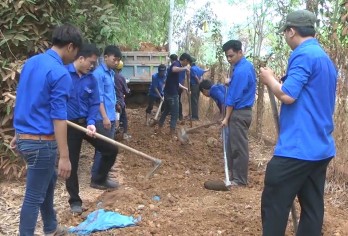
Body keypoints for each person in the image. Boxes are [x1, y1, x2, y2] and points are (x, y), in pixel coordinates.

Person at [259, 10, 337, 236]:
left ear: (291, 31)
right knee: (312, 209)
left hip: (297, 148)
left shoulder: (303, 55)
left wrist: (269, 79)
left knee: (274, 204)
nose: (285, 36)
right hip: (320, 148)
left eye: (285, 32)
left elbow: (287, 95)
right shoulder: (325, 59)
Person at [10, 24, 83, 236]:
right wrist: (65, 156)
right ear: (70, 46)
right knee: (33, 196)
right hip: (42, 142)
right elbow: (59, 117)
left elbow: (24, 98)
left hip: (26, 138)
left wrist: (18, 133)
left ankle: (51, 227)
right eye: (77, 50)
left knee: (48, 181)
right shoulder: (60, 73)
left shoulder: (31, 63)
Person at [65, 43, 119, 214]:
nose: (92, 66)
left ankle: (99, 178)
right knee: (71, 163)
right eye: (90, 62)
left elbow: (95, 101)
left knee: (111, 148)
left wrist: (90, 121)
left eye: (94, 63)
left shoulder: (91, 78)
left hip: (87, 123)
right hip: (69, 125)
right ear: (80, 58)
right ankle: (75, 201)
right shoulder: (64, 75)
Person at [221, 40, 256, 186]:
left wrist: (226, 118)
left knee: (238, 147)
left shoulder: (241, 70)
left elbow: (233, 98)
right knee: (233, 145)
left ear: (240, 52)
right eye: (227, 57)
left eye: (231, 56)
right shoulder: (245, 66)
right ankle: (234, 176)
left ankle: (240, 180)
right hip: (243, 112)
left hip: (239, 113)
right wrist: (230, 82)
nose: (229, 59)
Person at [90, 45, 122, 188]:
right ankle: (96, 179)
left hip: (110, 115)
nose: (116, 63)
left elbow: (110, 95)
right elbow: (99, 98)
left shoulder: (111, 73)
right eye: (114, 59)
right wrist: (104, 117)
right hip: (101, 117)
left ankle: (104, 173)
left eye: (118, 61)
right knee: (102, 149)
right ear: (106, 57)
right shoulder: (98, 74)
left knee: (107, 148)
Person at [157, 53, 190, 134]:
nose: (187, 64)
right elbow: (174, 69)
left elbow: (176, 83)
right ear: (185, 60)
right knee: (175, 113)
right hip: (172, 94)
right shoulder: (176, 63)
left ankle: (159, 127)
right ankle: (171, 133)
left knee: (166, 111)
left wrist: (185, 88)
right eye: (187, 62)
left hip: (168, 93)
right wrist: (185, 68)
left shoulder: (177, 65)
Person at [114, 60, 131, 140]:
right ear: (121, 69)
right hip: (120, 100)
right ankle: (124, 134)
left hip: (111, 101)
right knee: (123, 117)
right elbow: (126, 90)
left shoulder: (110, 75)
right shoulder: (121, 77)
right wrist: (128, 90)